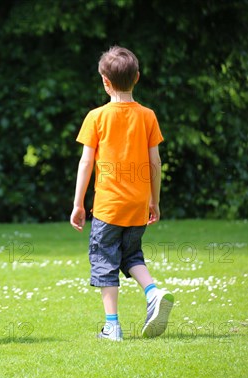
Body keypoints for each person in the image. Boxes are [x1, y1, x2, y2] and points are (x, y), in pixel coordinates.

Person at [70, 46, 174, 341]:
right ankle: (153, 291)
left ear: (105, 81)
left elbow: (86, 162)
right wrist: (154, 200)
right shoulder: (148, 116)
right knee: (132, 255)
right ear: (137, 78)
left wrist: (78, 204)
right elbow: (155, 162)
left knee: (104, 260)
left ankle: (112, 326)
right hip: (138, 205)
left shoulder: (96, 117)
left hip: (108, 208)